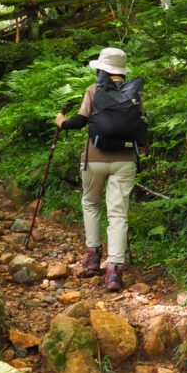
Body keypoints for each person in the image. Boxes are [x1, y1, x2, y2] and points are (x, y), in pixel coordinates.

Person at [55, 47, 141, 292]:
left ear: (102, 68)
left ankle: (93, 257)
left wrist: (62, 122)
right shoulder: (134, 93)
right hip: (125, 161)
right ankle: (114, 271)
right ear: (122, 71)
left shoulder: (94, 90)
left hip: (95, 158)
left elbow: (80, 121)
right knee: (118, 213)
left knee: (91, 204)